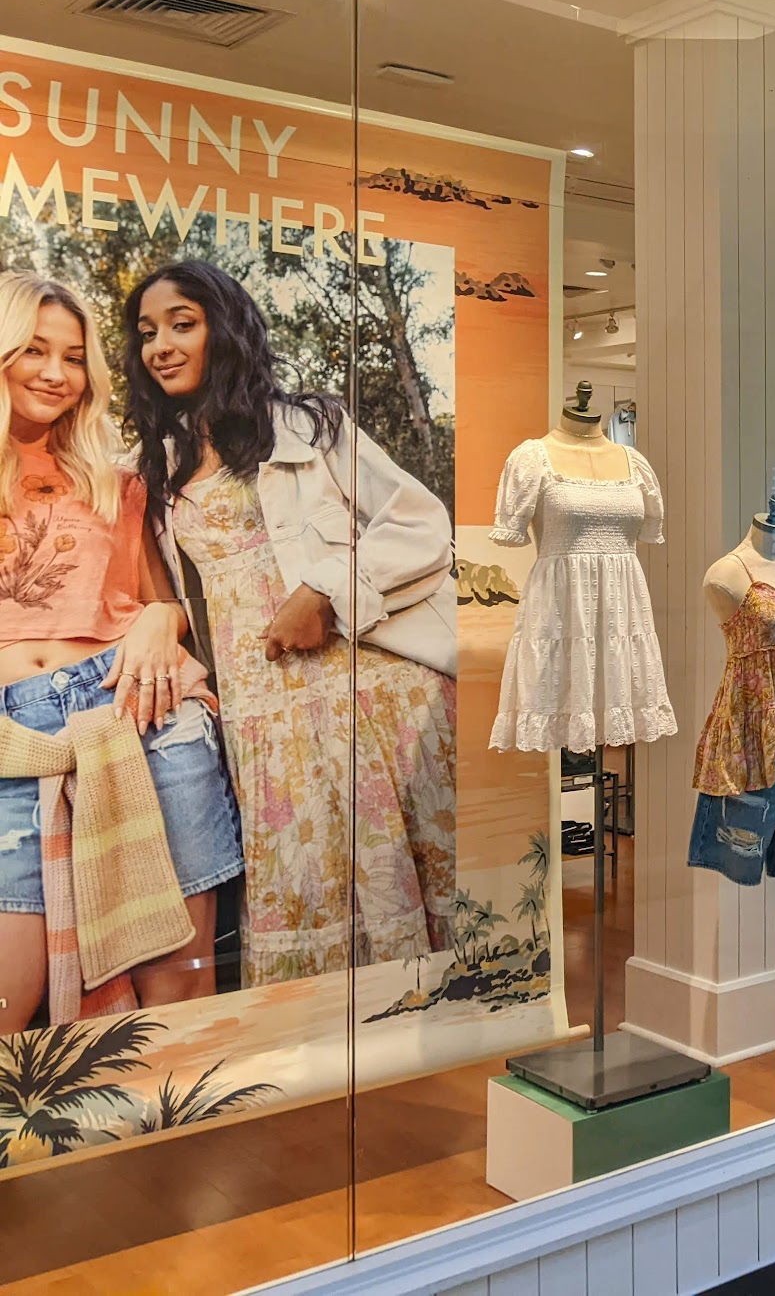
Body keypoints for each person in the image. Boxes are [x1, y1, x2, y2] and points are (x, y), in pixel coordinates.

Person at [122, 261, 457, 986]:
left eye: (182, 324)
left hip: (364, 693)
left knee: (400, 889)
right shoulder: (156, 464)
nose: (161, 346)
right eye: (148, 333)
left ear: (225, 329)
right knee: (301, 889)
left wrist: (324, 592)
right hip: (262, 716)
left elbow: (423, 525)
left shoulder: (306, 426)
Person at [0, 272, 241, 1033]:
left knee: (180, 991)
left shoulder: (117, 481)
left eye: (73, 358)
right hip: (15, 739)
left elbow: (164, 601)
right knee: (12, 1003)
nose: (55, 373)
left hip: (141, 712)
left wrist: (160, 619)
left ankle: (180, 1116)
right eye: (33, 350)